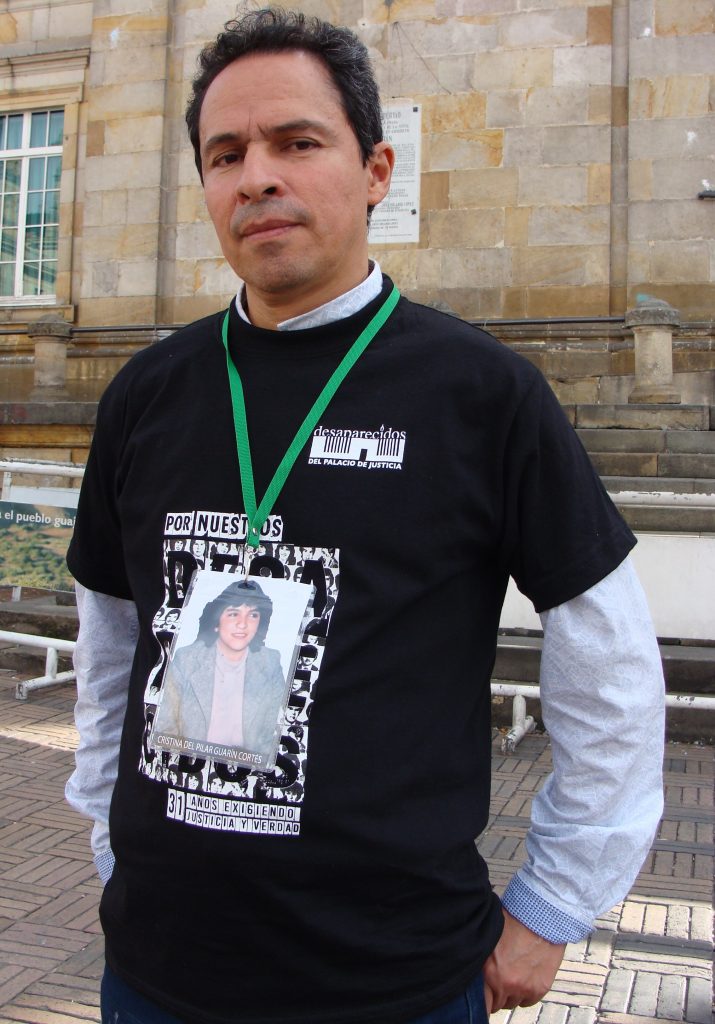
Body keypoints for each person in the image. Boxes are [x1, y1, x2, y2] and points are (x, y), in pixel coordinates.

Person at [65, 8, 664, 1024]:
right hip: (160, 972)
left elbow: (610, 673)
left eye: (297, 143)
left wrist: (554, 905)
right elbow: (110, 651)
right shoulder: (146, 395)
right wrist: (112, 847)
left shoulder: (482, 394)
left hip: (392, 982)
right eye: (226, 153)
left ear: (377, 169)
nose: (257, 175)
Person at [152, 579, 285, 761]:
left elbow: (275, 732)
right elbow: (166, 728)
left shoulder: (271, 662)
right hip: (190, 765)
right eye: (233, 614)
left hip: (249, 771)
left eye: (253, 615)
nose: (243, 624)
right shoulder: (186, 659)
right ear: (216, 621)